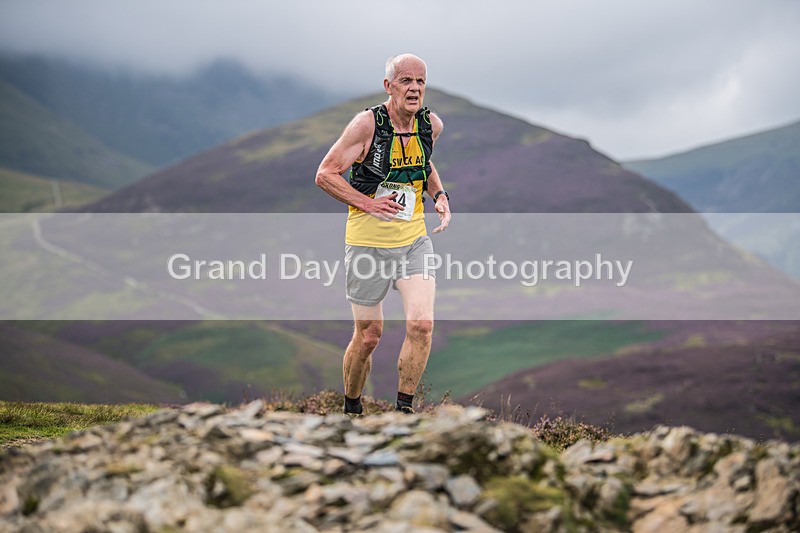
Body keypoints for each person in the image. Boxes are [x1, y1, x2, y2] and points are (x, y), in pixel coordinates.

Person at [315, 53, 450, 416]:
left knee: (421, 325)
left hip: (413, 241)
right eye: (406, 81)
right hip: (367, 245)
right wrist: (368, 204)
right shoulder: (366, 125)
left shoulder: (430, 125)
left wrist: (439, 195)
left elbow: (425, 162)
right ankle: (352, 409)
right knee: (369, 335)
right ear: (389, 86)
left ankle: (403, 413)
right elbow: (326, 174)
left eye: (421, 81)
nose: (415, 88)